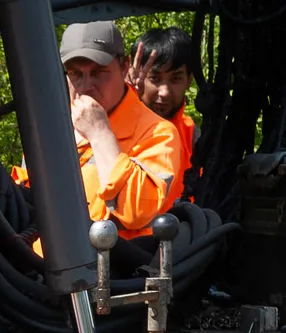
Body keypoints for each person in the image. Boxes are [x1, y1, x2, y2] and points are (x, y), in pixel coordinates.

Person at [13, 21, 186, 240]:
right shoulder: (49, 128)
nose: (86, 85)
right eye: (75, 73)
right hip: (36, 268)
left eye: (98, 72)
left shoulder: (158, 132)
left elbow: (135, 212)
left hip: (114, 271)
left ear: (124, 67)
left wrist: (99, 133)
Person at [129, 26, 196, 171]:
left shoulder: (193, 135)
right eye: (154, 78)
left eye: (176, 78)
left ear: (189, 81)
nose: (164, 92)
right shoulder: (111, 126)